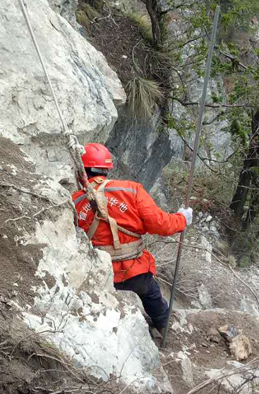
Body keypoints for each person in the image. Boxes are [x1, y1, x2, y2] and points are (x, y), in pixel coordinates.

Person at [72, 143, 192, 337]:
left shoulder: (74, 202)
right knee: (151, 293)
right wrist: (182, 219)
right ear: (107, 168)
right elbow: (160, 225)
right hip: (135, 273)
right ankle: (162, 326)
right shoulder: (131, 190)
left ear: (82, 171)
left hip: (101, 275)